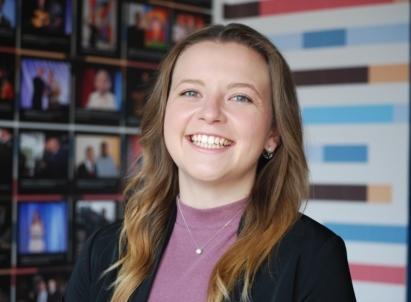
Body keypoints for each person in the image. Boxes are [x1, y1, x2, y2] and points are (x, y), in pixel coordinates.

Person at [64, 24, 356, 301]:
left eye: (240, 97)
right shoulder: (102, 250)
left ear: (273, 133)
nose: (210, 113)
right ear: (163, 114)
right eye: (191, 92)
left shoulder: (313, 257)